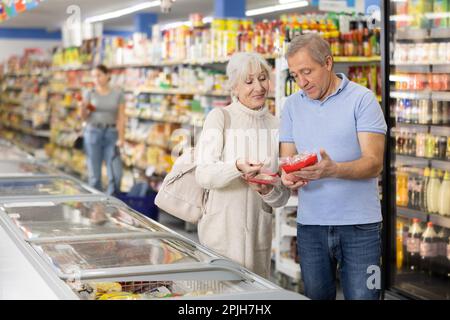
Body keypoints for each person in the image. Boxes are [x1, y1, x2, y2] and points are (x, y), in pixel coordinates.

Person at [280, 33, 387, 300]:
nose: (301, 82)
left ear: (328, 63)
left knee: (366, 296)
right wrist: (288, 177)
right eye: (295, 75)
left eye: (307, 71)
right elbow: (287, 161)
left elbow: (374, 164)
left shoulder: (363, 100)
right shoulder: (291, 106)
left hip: (361, 228)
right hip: (310, 227)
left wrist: (333, 169)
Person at [195, 52, 290, 278]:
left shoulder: (278, 125)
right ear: (234, 88)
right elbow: (204, 174)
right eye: (248, 81)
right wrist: (236, 167)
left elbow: (282, 196)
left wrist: (268, 191)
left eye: (263, 78)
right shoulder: (220, 117)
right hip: (219, 237)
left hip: (259, 240)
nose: (258, 87)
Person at [81, 65, 126, 195]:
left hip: (111, 135)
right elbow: (84, 117)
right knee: (95, 177)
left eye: (99, 75)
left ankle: (110, 204)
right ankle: (95, 210)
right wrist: (82, 108)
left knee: (116, 175)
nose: (96, 79)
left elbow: (121, 117)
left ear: (107, 75)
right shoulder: (89, 93)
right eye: (94, 76)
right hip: (93, 133)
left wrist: (121, 138)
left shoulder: (118, 94)